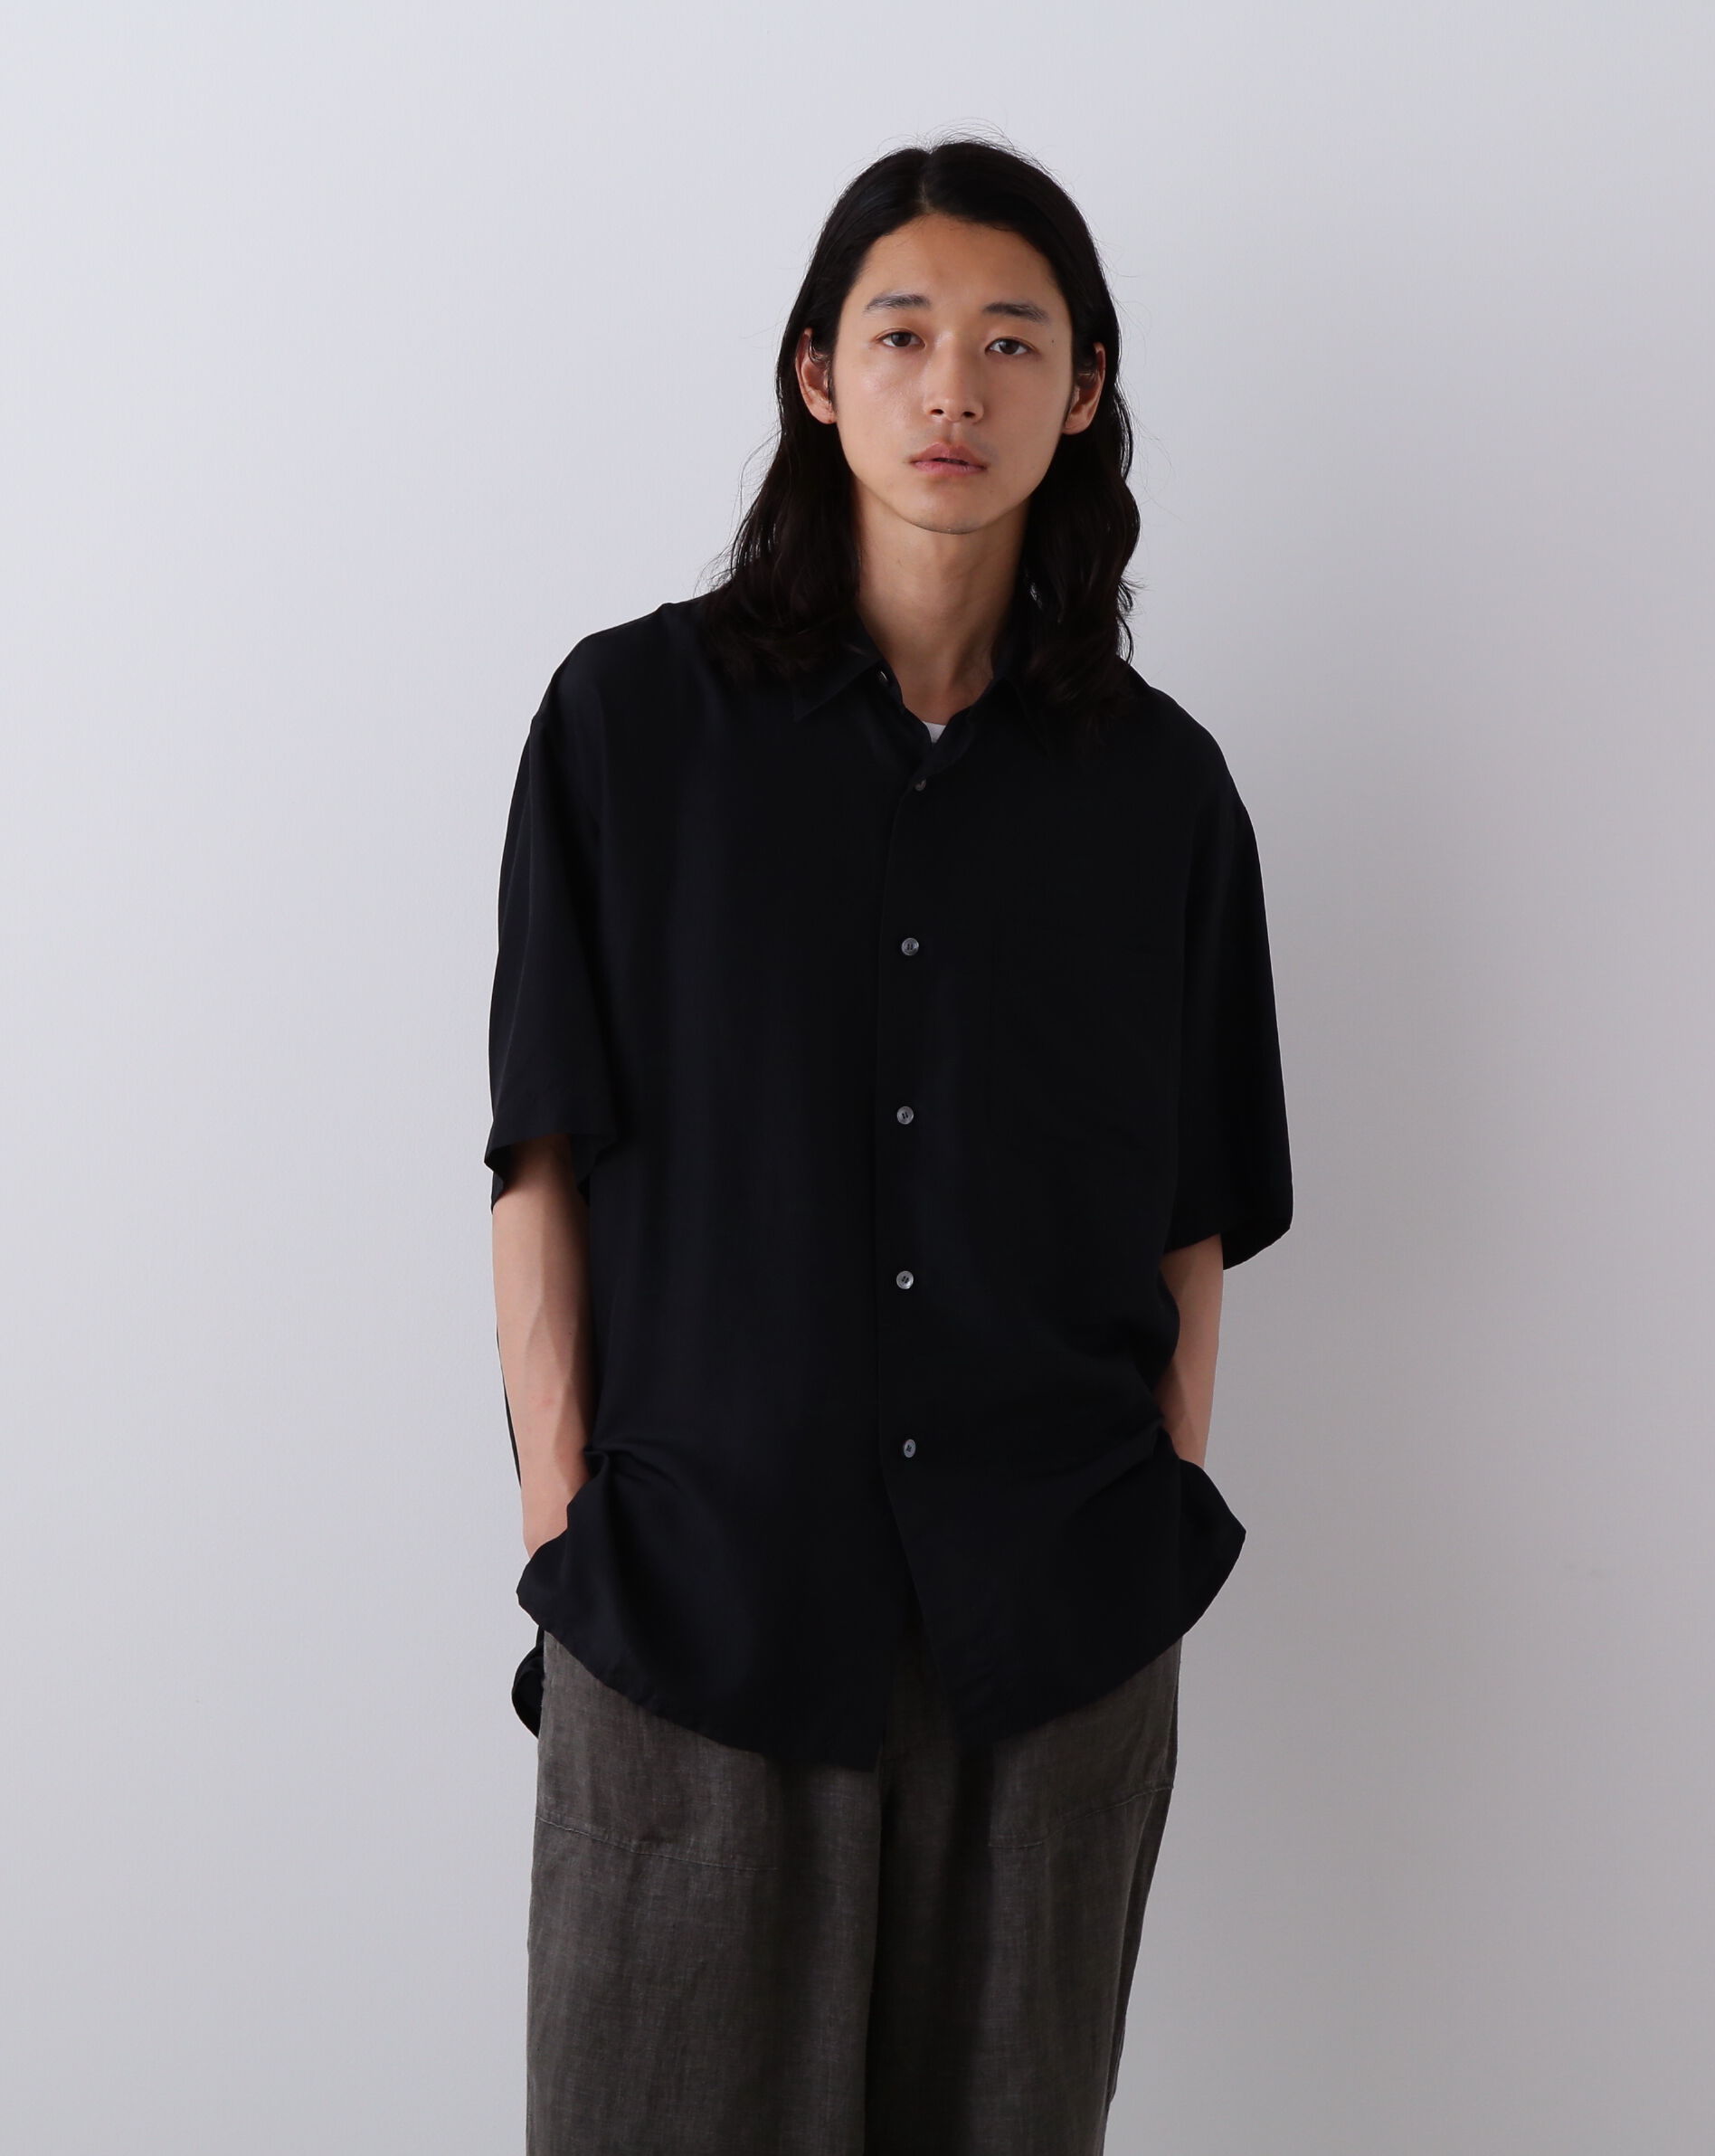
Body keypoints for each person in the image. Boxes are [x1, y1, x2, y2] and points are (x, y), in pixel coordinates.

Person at [486, 135, 1293, 2156]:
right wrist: (568, 1520)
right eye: (903, 333)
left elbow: (1194, 1205)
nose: (955, 385)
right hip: (699, 1602)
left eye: (1012, 341)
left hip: (1051, 1622)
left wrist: (1153, 1490)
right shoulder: (629, 728)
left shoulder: (1161, 791)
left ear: (1081, 392)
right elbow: (542, 1156)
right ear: (816, 374)